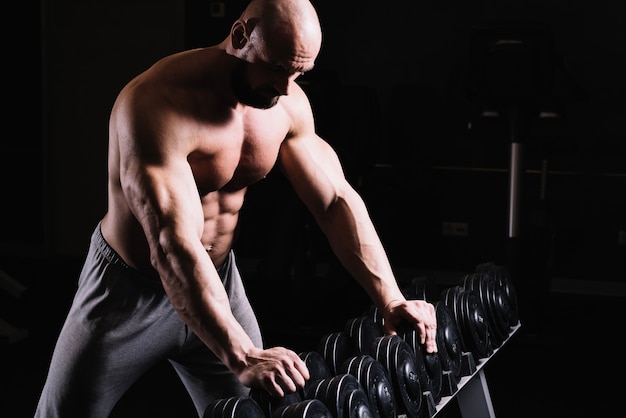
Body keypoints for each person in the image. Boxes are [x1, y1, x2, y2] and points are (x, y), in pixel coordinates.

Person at [35, 0, 437, 416]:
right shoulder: (155, 104)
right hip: (129, 292)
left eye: (299, 73)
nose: (286, 87)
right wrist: (242, 354)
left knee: (259, 409)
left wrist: (390, 299)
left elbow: (335, 201)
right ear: (241, 37)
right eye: (277, 67)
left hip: (218, 284)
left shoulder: (287, 105)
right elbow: (171, 244)